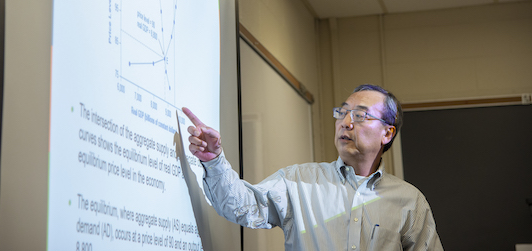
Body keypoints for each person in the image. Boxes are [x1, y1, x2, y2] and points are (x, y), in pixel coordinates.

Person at [183, 84, 443, 250]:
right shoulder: (298, 181)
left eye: (361, 115)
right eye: (342, 112)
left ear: (387, 133)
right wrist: (213, 159)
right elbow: (240, 206)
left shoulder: (409, 201)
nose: (345, 122)